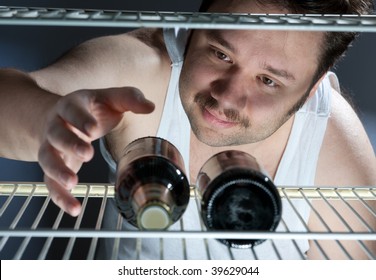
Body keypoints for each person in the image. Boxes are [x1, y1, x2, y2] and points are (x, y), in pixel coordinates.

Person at [0, 0, 375, 259]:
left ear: (312, 88)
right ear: (194, 30)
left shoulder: (331, 141)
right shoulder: (144, 69)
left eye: (268, 80)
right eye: (221, 54)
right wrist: (46, 118)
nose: (227, 96)